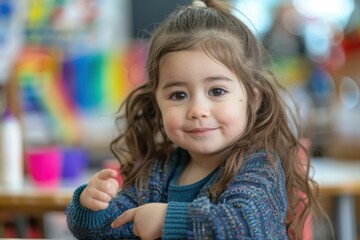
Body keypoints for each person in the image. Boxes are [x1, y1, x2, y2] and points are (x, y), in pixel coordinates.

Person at [66, 0, 329, 239]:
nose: (197, 110)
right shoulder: (159, 171)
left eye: (217, 91)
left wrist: (168, 220)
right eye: (178, 95)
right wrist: (91, 207)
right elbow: (108, 230)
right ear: (157, 104)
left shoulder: (258, 167)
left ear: (253, 98)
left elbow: (245, 228)